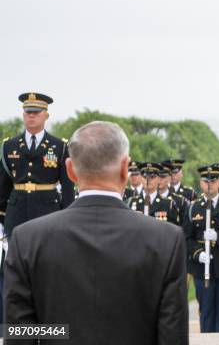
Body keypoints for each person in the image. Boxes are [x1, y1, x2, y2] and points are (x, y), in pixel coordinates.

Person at [3, 121, 188, 344]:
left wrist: (61, 332)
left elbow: (20, 335)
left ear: (70, 170)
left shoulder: (27, 240)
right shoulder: (166, 240)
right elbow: (172, 338)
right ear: (125, 168)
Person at [0, 92, 75, 325]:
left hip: (49, 214)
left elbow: (68, 186)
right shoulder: (10, 145)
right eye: (27, 112)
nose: (30, 117)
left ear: (46, 115)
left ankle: (48, 325)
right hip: (17, 213)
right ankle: (20, 327)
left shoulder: (59, 146)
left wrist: (68, 217)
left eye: (35, 113)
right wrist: (2, 218)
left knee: (46, 272)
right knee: (17, 273)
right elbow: (3, 187)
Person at [185, 164, 219, 333]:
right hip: (202, 270)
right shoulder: (193, 207)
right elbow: (186, 238)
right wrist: (197, 254)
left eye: (213, 180)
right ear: (201, 183)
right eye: (205, 180)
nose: (209, 184)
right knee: (206, 313)